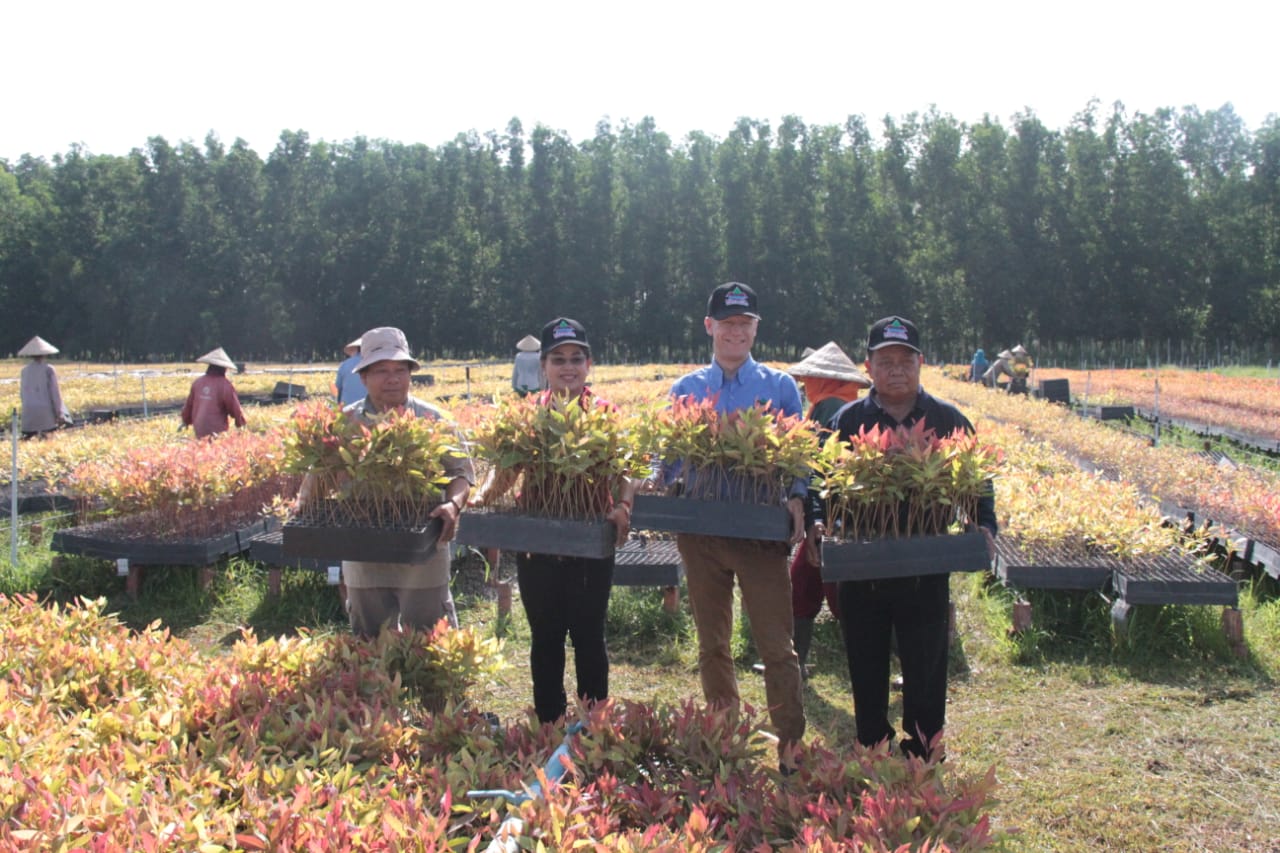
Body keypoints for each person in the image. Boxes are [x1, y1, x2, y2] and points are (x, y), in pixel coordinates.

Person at [816, 315, 996, 762]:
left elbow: (977, 482)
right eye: (885, 361)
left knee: (927, 662)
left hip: (926, 564)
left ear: (921, 363)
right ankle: (873, 744)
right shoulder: (847, 421)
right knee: (865, 659)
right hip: (861, 561)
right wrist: (817, 523)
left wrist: (984, 524)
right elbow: (819, 480)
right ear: (868, 367)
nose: (896, 370)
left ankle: (923, 750)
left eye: (905, 360)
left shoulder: (947, 419)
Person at [662, 282, 808, 769]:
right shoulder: (685, 391)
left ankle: (790, 744)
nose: (736, 332)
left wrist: (798, 496)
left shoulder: (780, 387)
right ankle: (724, 736)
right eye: (727, 323)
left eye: (745, 324)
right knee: (713, 642)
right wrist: (651, 483)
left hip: (760, 535)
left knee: (776, 644)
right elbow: (668, 459)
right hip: (700, 534)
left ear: (755, 329)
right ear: (710, 327)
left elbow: (799, 457)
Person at [473, 317, 636, 724]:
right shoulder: (528, 415)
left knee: (589, 635)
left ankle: (592, 724)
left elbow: (632, 468)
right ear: (543, 365)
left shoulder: (606, 414)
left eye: (576, 359)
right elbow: (505, 471)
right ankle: (549, 724)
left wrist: (624, 504)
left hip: (592, 541)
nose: (568, 367)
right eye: (558, 359)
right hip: (536, 541)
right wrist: (478, 499)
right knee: (545, 636)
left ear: (589, 364)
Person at [335, 326, 475, 637]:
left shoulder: (434, 420)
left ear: (411, 374)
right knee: (371, 644)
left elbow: (461, 473)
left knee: (429, 642)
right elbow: (320, 476)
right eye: (381, 370)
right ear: (363, 377)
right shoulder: (345, 424)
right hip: (362, 550)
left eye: (400, 370)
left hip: (423, 551)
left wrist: (453, 505)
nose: (393, 378)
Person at [785, 342, 868, 676]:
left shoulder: (830, 406)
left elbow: (818, 464)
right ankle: (798, 662)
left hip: (833, 512)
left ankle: (867, 661)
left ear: (823, 380)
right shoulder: (841, 402)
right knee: (808, 582)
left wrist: (814, 516)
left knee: (829, 586)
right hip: (834, 511)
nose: (806, 385)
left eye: (810, 379)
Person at [180, 347, 247, 439]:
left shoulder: (198, 382)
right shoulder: (225, 385)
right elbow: (235, 408)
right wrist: (241, 424)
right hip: (217, 431)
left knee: (202, 446)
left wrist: (185, 421)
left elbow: (189, 405)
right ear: (223, 368)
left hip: (199, 429)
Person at [17, 335, 71, 438]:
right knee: (47, 440)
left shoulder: (24, 371)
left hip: (28, 412)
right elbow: (55, 394)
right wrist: (59, 413)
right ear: (45, 354)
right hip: (45, 412)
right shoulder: (49, 370)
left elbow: (22, 394)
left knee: (28, 440)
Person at [334, 337, 365, 406]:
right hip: (368, 407)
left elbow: (337, 388)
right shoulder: (373, 364)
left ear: (355, 350)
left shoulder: (344, 364)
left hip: (346, 407)